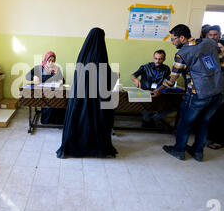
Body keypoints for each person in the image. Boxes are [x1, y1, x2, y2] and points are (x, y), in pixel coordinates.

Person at [152, 24, 224, 162]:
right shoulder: (210, 43)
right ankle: (198, 152)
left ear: (182, 37)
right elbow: (223, 64)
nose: (172, 42)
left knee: (185, 123)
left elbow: (172, 77)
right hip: (218, 92)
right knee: (204, 122)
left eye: (173, 39)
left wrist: (159, 89)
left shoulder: (183, 53)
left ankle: (179, 150)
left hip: (197, 93)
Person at [56, 27, 119, 158]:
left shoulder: (83, 55)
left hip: (80, 99)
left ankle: (77, 146)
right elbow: (106, 78)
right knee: (96, 120)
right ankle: (94, 147)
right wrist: (115, 76)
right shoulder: (100, 55)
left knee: (80, 120)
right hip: (96, 100)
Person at [130, 50, 171, 126]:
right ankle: (147, 120)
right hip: (145, 93)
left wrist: (178, 87)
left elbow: (169, 81)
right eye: (155, 58)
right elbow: (133, 75)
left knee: (173, 106)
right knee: (146, 118)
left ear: (164, 59)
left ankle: (155, 118)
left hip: (158, 93)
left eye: (160, 59)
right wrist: (136, 80)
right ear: (153, 58)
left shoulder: (166, 69)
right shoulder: (145, 67)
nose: (157, 61)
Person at [25, 51, 65, 124]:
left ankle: (57, 121)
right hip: (42, 94)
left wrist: (61, 81)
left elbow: (63, 80)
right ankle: (47, 120)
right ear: (46, 59)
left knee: (59, 104)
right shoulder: (38, 68)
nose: (51, 62)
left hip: (54, 93)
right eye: (49, 60)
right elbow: (27, 76)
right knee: (48, 106)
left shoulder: (56, 69)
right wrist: (34, 77)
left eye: (53, 61)